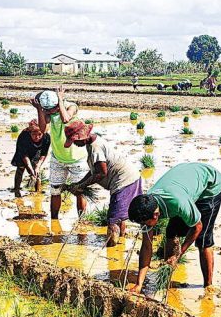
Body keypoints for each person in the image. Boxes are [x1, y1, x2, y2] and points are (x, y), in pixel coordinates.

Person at [127, 163, 221, 292]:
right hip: (184, 183)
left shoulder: (177, 203)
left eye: (146, 223)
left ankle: (208, 286)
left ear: (156, 215)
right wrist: (139, 284)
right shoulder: (146, 208)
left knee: (203, 239)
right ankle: (167, 276)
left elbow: (197, 227)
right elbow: (146, 246)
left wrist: (179, 253)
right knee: (172, 231)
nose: (144, 226)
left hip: (210, 185)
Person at [62, 120, 142, 247]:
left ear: (82, 137)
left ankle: (112, 247)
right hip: (131, 178)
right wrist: (78, 183)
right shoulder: (92, 143)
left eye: (75, 141)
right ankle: (120, 246)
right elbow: (94, 170)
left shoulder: (95, 147)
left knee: (113, 219)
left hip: (124, 181)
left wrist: (81, 186)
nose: (74, 144)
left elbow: (101, 173)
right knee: (119, 215)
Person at [33, 87, 89, 220]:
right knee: (55, 191)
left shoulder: (71, 106)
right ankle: (54, 220)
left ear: (57, 104)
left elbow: (65, 119)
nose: (48, 112)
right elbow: (42, 129)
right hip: (58, 158)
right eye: (45, 110)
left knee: (80, 192)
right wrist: (39, 110)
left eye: (49, 110)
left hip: (77, 159)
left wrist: (60, 99)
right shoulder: (48, 112)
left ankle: (81, 221)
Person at [11, 119, 50, 198]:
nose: (37, 137)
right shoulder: (23, 136)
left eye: (39, 134)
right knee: (21, 168)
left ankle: (37, 192)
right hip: (23, 151)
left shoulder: (46, 137)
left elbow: (44, 153)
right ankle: (16, 189)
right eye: (34, 134)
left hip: (36, 151)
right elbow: (24, 154)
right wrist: (30, 168)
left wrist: (38, 166)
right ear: (30, 133)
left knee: (36, 172)